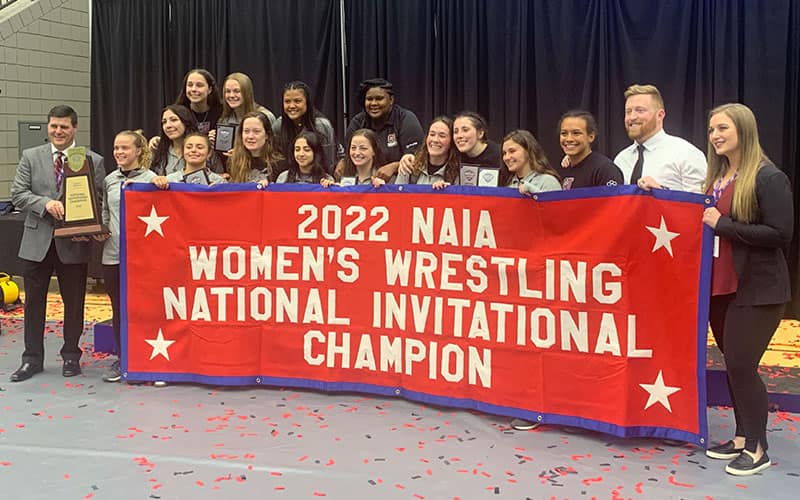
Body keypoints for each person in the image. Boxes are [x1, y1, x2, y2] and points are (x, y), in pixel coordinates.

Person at [701, 103, 793, 476]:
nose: (715, 135)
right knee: (733, 365)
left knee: (741, 366)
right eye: (710, 130)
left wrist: (723, 224)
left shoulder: (768, 177)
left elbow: (781, 235)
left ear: (744, 130)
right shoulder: (719, 176)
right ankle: (741, 437)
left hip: (758, 290)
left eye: (722, 128)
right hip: (722, 289)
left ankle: (758, 448)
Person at [9, 105, 105, 381]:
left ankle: (71, 357)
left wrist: (89, 223)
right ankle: (31, 359)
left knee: (74, 303)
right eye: (54, 126)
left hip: (73, 243)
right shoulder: (31, 156)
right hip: (37, 241)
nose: (58, 131)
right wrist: (45, 203)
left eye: (64, 127)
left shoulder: (91, 160)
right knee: (33, 304)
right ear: (48, 127)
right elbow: (18, 193)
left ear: (74, 128)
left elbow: (96, 201)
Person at [100, 130, 157, 383]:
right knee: (118, 308)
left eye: (125, 148)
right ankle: (123, 358)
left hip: (143, 258)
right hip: (113, 255)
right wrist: (98, 230)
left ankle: (149, 356)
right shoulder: (110, 179)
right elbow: (103, 213)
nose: (119, 153)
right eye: (116, 148)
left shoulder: (152, 179)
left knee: (146, 308)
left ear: (138, 151)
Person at [614, 84, 706, 192]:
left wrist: (661, 192)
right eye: (628, 112)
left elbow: (699, 204)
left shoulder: (686, 153)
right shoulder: (621, 159)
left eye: (640, 110)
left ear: (660, 115)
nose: (632, 117)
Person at [341, 78, 424, 180]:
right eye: (369, 99)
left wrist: (395, 166)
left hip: (400, 185)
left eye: (379, 99)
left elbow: (418, 159)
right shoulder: (358, 122)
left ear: (391, 100)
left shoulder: (406, 119)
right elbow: (348, 154)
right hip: (366, 184)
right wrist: (342, 161)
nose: (374, 103)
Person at [273, 81, 336, 173]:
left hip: (319, 179)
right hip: (288, 178)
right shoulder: (278, 125)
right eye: (287, 101)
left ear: (307, 102)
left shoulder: (321, 125)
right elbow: (276, 160)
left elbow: (329, 162)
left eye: (297, 101)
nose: (291, 106)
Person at [555, 110, 623, 189]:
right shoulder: (562, 169)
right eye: (564, 133)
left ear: (591, 137)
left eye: (576, 133)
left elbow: (614, 200)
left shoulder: (605, 170)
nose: (569, 139)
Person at [396, 116, 460, 185]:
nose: (435, 140)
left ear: (452, 141)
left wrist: (447, 191)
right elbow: (396, 194)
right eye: (432, 134)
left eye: (442, 136)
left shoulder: (458, 173)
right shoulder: (409, 165)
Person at [227, 112, 288, 183]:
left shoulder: (280, 163)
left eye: (256, 131)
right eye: (246, 131)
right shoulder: (234, 161)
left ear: (267, 135)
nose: (250, 136)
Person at [452, 111, 508, 186]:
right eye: (455, 132)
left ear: (480, 133)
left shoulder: (501, 156)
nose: (459, 135)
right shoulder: (454, 157)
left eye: (465, 130)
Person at [152, 133, 227, 189]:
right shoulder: (169, 180)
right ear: (183, 152)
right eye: (189, 147)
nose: (193, 150)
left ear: (209, 153)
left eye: (200, 147)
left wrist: (216, 195)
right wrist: (154, 181)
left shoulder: (220, 182)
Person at [502, 130, 561, 194]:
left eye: (512, 151)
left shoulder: (548, 181)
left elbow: (556, 204)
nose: (506, 157)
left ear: (528, 151)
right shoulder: (509, 185)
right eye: (504, 153)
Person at [150, 104, 198, 176]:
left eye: (174, 120)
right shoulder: (157, 150)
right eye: (164, 122)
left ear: (186, 122)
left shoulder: (202, 149)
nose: (168, 125)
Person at [174, 68, 223, 136]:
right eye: (190, 85)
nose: (193, 89)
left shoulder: (222, 113)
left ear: (210, 89)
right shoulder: (177, 114)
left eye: (199, 85)